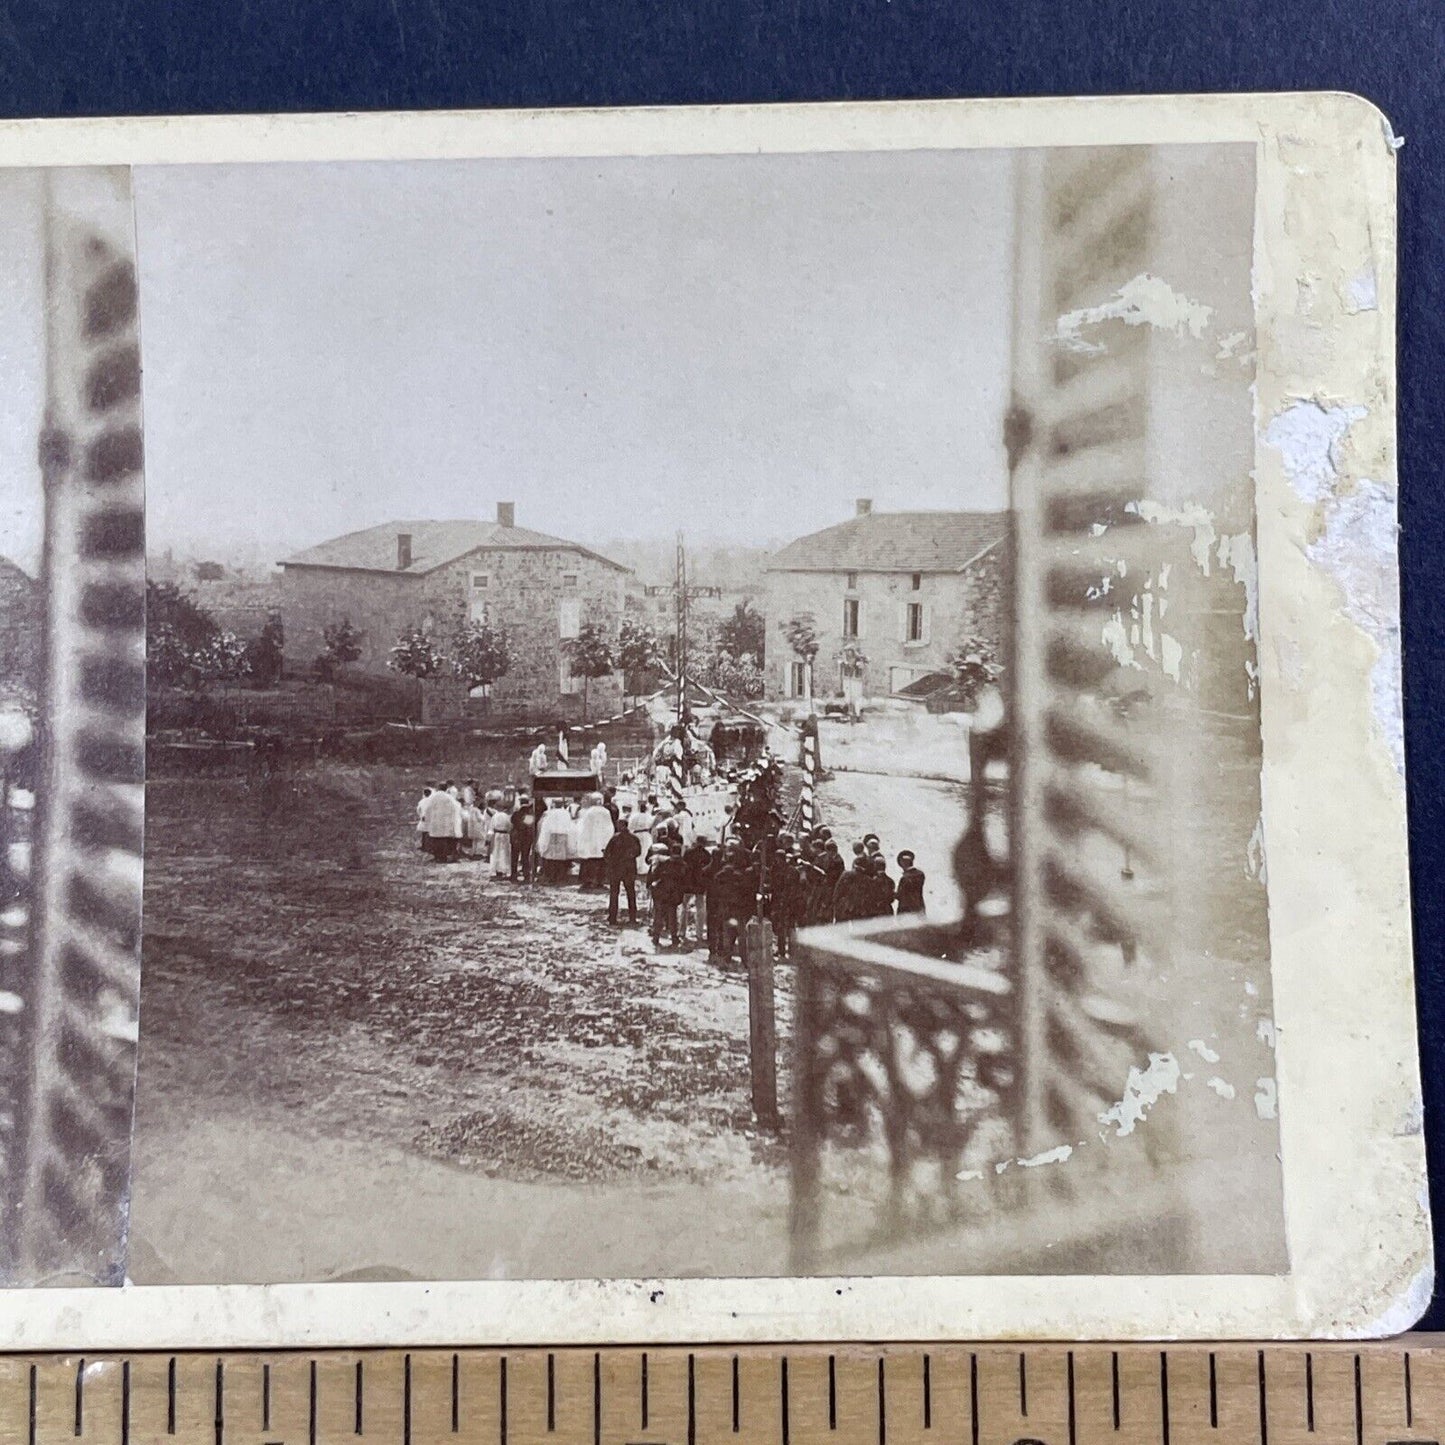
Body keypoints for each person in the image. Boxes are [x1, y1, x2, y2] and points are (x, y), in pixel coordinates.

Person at [648, 841, 687, 948]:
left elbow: (655, 874)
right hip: (674, 895)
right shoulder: (683, 865)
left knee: (659, 915)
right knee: (672, 916)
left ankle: (656, 937)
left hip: (662, 892)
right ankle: (674, 938)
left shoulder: (665, 862)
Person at [603, 823, 642, 925]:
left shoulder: (615, 838)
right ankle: (632, 918)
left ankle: (612, 918)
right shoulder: (634, 838)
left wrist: (611, 862)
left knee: (614, 894)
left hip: (616, 869)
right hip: (629, 869)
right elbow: (638, 852)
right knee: (631, 893)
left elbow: (607, 853)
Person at [576, 791, 615, 889]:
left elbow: (584, 828)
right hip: (602, 841)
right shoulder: (606, 812)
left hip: (590, 841)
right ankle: (599, 881)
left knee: (590, 861)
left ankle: (589, 881)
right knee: (601, 862)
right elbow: (609, 827)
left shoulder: (589, 812)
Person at [680, 837, 713, 949]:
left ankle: (682, 932)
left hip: (688, 883)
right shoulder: (707, 854)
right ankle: (699, 934)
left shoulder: (688, 852)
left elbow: (683, 866)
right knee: (700, 909)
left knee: (684, 907)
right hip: (699, 884)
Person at [422, 782, 464, 863]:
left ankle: (437, 856)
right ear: (446, 788)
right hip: (446, 822)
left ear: (438, 788)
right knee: (444, 839)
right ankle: (444, 856)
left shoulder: (432, 797)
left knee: (436, 840)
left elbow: (427, 808)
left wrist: (425, 817)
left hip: (435, 822)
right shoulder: (449, 798)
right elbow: (456, 808)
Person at [536, 799, 574, 882]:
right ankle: (560, 877)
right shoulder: (566, 813)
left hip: (552, 835)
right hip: (563, 835)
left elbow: (546, 826)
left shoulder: (550, 813)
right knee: (560, 858)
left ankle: (551, 877)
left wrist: (543, 839)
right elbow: (569, 826)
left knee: (551, 858)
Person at [832, 852, 872, 922]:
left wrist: (836, 905)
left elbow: (837, 892)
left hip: (844, 907)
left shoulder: (846, 874)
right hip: (859, 910)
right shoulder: (867, 879)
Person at [510, 795, 535, 884]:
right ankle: (526, 875)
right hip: (526, 839)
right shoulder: (529, 815)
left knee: (514, 857)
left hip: (516, 838)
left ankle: (513, 875)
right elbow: (529, 826)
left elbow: (513, 823)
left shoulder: (515, 814)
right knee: (525, 857)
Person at [896, 850, 926, 915]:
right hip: (917, 908)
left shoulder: (906, 877)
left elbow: (900, 894)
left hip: (907, 910)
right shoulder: (919, 874)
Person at [489, 800, 513, 878]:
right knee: (504, 853)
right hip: (505, 835)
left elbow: (491, 827)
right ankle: (503, 870)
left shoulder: (494, 816)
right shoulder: (507, 816)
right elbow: (510, 826)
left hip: (496, 835)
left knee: (496, 852)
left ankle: (495, 870)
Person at [416, 784, 435, 854]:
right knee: (429, 832)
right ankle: (429, 847)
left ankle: (424, 846)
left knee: (424, 832)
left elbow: (418, 810)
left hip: (424, 818)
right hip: (430, 817)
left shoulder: (421, 801)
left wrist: (420, 816)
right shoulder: (432, 801)